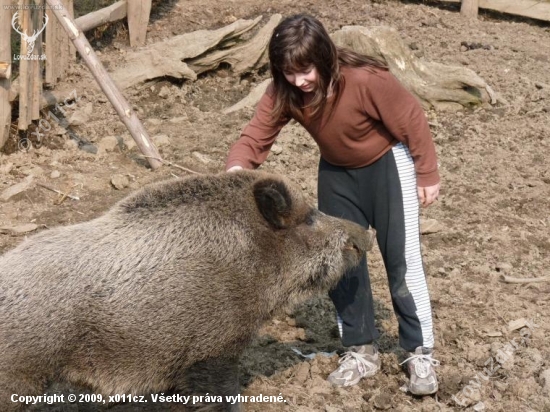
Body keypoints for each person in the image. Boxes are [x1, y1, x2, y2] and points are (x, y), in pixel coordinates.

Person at [225, 14, 440, 395]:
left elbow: (411, 117)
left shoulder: (364, 80)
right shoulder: (285, 90)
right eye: (289, 73)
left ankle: (418, 352)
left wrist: (427, 173)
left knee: (400, 258)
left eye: (305, 70)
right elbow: (256, 134)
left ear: (323, 58)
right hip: (337, 174)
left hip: (388, 167)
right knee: (342, 259)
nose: (299, 81)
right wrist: (237, 169)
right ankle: (360, 349)